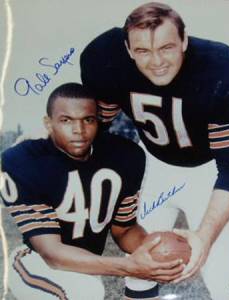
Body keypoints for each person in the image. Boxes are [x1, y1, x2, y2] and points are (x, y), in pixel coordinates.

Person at [80, 2, 229, 300]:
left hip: (208, 171)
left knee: (225, 279)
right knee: (141, 268)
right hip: (152, 166)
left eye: (167, 47)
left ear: (185, 41)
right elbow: (98, 132)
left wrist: (204, 237)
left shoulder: (221, 67)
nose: (156, 61)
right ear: (127, 48)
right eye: (143, 51)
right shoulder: (104, 58)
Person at [0, 83, 185, 300]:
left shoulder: (126, 156)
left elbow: (124, 230)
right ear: (48, 124)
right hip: (34, 261)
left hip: (86, 267)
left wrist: (157, 250)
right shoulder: (24, 161)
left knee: (92, 288)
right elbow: (52, 254)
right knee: (85, 291)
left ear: (98, 121)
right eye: (66, 120)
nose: (78, 130)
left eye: (87, 120)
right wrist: (129, 266)